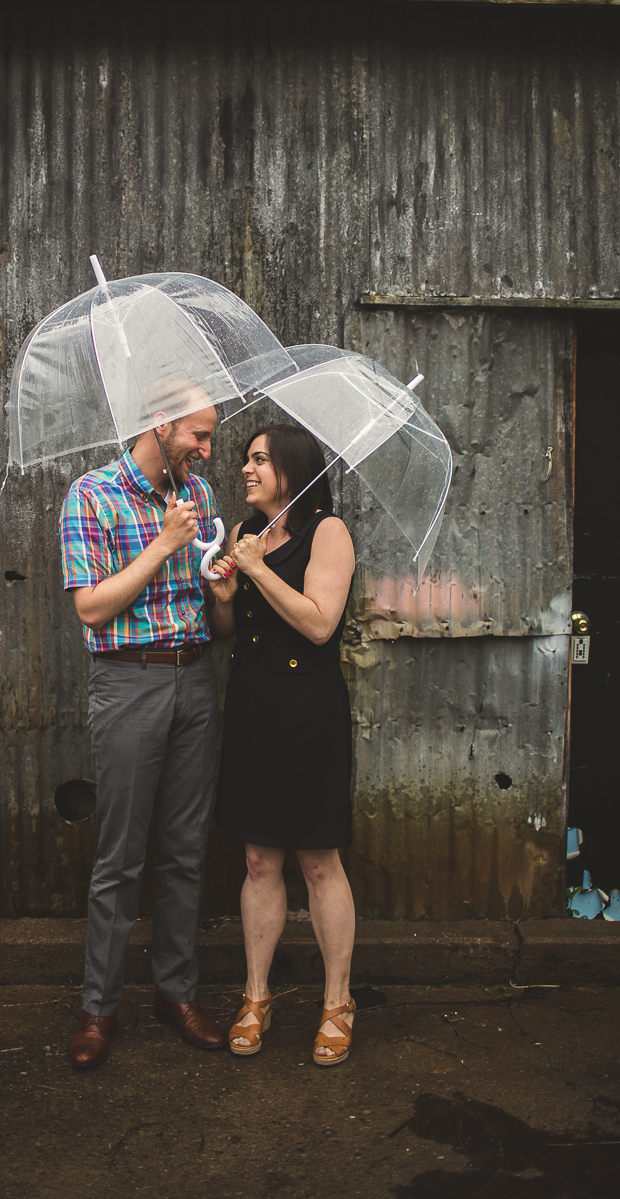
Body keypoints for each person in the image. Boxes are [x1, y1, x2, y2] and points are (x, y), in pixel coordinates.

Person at [59, 398, 226, 1069]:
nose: (208, 450)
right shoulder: (92, 495)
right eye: (200, 435)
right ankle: (98, 1009)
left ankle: (176, 993)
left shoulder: (201, 494)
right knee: (120, 857)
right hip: (129, 681)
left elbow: (219, 615)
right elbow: (92, 608)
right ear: (161, 424)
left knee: (186, 851)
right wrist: (163, 544)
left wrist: (222, 587)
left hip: (196, 677)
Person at [207, 424, 357, 1065]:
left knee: (318, 861)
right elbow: (229, 631)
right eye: (246, 458)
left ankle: (337, 1002)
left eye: (260, 459)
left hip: (308, 710)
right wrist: (222, 598)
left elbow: (321, 624)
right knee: (259, 861)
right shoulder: (246, 534)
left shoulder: (328, 531)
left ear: (292, 469)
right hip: (253, 707)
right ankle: (257, 995)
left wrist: (258, 571)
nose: (246, 468)